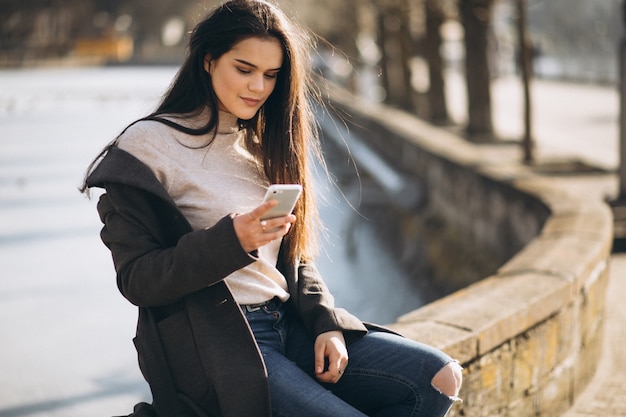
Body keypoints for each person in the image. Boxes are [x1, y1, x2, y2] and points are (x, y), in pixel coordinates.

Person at [81, 1, 462, 416]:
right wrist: (232, 240)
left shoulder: (261, 145)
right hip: (221, 345)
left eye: (270, 75)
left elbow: (294, 256)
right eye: (244, 70)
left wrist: (324, 322)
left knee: (439, 378)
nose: (258, 87)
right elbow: (138, 279)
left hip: (290, 324)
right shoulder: (147, 146)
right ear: (208, 61)